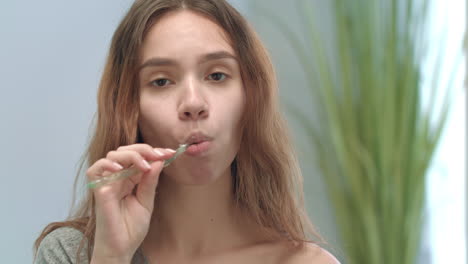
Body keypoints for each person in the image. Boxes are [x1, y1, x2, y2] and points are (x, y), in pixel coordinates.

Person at [34, 0, 340, 263]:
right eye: (161, 81)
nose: (193, 103)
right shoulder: (70, 254)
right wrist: (112, 258)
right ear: (129, 107)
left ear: (251, 97)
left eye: (217, 75)